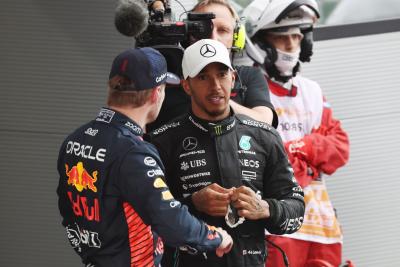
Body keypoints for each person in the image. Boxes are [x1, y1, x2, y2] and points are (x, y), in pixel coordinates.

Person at [56, 47, 234, 267]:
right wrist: (214, 237)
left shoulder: (76, 139)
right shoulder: (134, 152)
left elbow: (67, 210)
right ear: (155, 93)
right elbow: (170, 220)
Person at [149, 38, 305, 267]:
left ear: (232, 78)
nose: (215, 86)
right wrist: (192, 204)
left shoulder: (264, 137)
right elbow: (146, 216)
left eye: (222, 74)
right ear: (186, 86)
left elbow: (297, 210)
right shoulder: (162, 141)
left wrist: (266, 209)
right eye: (203, 77)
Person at [242, 0, 350, 266]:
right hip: (274, 226)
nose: (292, 45)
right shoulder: (249, 92)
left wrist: (298, 148)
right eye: (282, 38)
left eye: (297, 37)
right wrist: (309, 159)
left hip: (320, 227)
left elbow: (339, 148)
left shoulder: (311, 90)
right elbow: (260, 163)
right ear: (262, 43)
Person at [146, 0, 277, 132]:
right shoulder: (164, 74)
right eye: (202, 29)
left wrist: (215, 98)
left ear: (237, 37)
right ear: (188, 37)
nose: (213, 38)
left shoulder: (248, 76)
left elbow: (265, 121)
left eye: (223, 30)